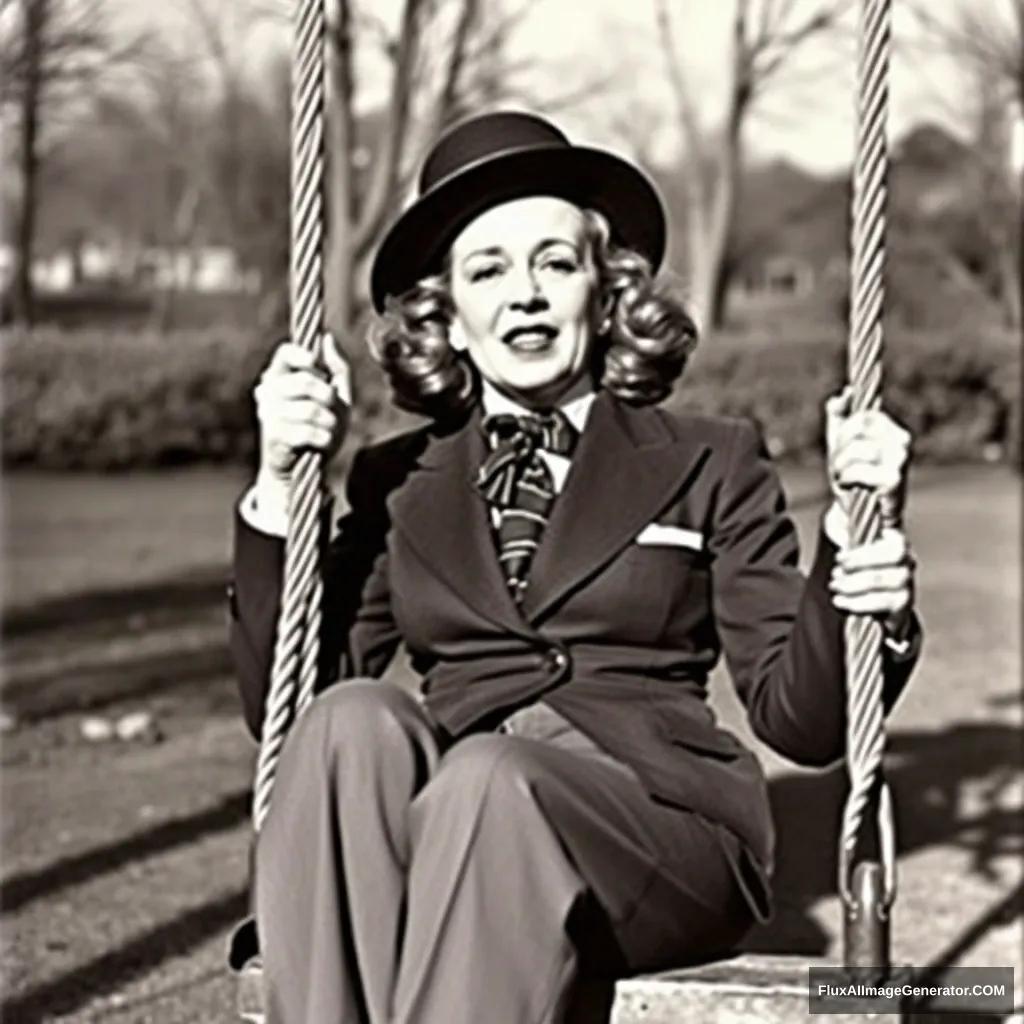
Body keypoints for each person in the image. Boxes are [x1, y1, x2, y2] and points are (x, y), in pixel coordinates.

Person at [227, 111, 923, 1024]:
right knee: (354, 718)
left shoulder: (708, 459)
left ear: (606, 292)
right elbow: (293, 700)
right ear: (449, 320)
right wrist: (278, 488)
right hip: (450, 825)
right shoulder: (397, 480)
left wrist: (858, 572)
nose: (525, 294)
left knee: (492, 779)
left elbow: (803, 722)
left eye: (555, 263)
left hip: (651, 832)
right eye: (488, 271)